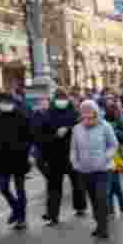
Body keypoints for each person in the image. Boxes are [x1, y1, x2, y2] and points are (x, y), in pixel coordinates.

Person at [70, 99, 119, 240]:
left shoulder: (105, 126)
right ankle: (99, 224)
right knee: (93, 200)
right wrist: (75, 163)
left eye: (89, 113)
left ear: (95, 112)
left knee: (101, 197)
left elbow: (114, 145)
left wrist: (105, 157)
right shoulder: (77, 128)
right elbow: (73, 149)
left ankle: (103, 228)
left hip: (103, 170)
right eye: (84, 113)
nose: (87, 117)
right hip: (85, 171)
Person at [0, 91, 33, 230]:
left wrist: (25, 150)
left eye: (7, 102)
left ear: (13, 103)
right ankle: (16, 209)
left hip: (19, 158)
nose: (5, 105)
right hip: (2, 160)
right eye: (2, 102)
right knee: (3, 187)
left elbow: (29, 136)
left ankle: (22, 218)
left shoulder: (22, 116)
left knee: (20, 189)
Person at [39, 89, 82, 226]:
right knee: (54, 187)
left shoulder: (74, 114)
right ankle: (53, 215)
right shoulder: (48, 115)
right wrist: (55, 136)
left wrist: (68, 129)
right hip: (54, 155)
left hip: (72, 154)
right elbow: (42, 136)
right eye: (59, 98)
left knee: (77, 183)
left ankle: (80, 206)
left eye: (63, 98)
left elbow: (80, 131)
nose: (61, 101)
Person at [104, 99, 123, 217]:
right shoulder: (102, 121)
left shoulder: (120, 120)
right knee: (110, 185)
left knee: (114, 186)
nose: (109, 110)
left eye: (112, 108)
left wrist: (114, 132)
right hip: (104, 157)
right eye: (107, 108)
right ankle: (112, 210)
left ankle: (119, 208)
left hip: (117, 157)